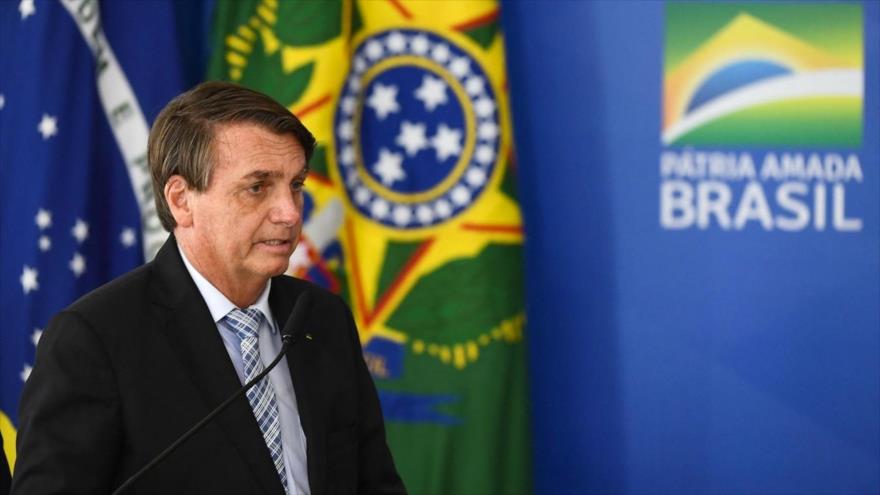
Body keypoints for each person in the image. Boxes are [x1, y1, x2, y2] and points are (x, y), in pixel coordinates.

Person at [12, 81, 405, 495]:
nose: (290, 213)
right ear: (182, 200)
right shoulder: (95, 339)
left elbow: (374, 483)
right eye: (258, 187)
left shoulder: (321, 317)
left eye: (296, 185)